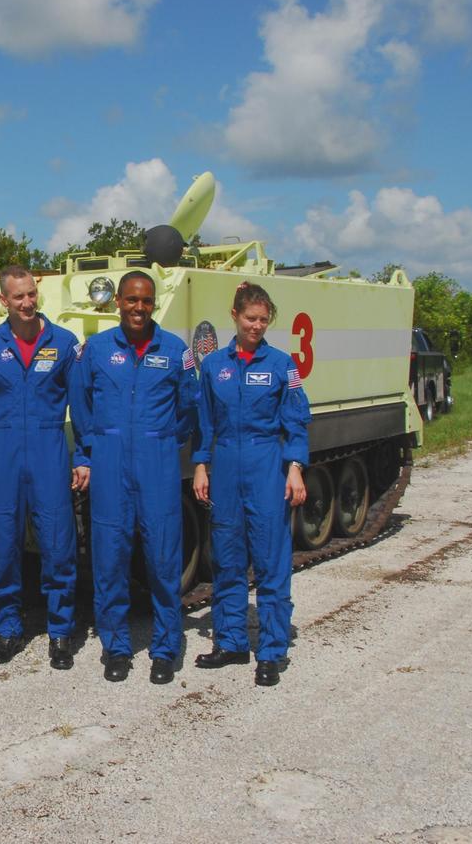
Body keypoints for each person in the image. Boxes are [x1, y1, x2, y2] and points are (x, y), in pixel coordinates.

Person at [70, 271, 199, 684]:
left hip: (156, 464)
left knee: (163, 560)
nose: (138, 308)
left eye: (146, 300)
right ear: (118, 302)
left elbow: (189, 406)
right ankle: (116, 647)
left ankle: (165, 649)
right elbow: (81, 400)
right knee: (110, 559)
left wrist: (162, 440)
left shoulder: (176, 351)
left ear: (154, 302)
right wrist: (91, 448)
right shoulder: (96, 350)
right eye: (131, 300)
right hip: (109, 465)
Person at [192, 281, 311, 687]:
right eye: (250, 318)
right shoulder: (214, 366)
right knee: (226, 559)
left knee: (270, 562)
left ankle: (272, 651)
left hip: (266, 465)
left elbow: (296, 417)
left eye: (263, 320)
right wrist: (202, 465)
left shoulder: (281, 365)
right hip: (224, 465)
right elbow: (205, 420)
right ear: (235, 316)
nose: (256, 326)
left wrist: (294, 466)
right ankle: (230, 641)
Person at [0, 266, 87, 669]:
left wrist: (84, 455)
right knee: (3, 544)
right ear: (3, 300)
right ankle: (6, 629)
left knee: (58, 544)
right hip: (4, 446)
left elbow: (81, 404)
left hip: (49, 446)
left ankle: (60, 631)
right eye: (17, 296)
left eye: (31, 295)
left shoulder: (64, 342)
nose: (26, 303)